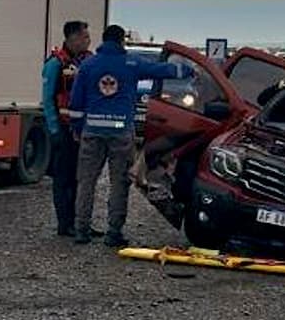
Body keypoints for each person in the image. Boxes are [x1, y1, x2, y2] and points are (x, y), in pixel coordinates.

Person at [69, 24, 193, 247]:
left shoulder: (88, 65)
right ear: (121, 41)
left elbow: (76, 103)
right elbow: (162, 70)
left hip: (92, 132)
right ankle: (113, 233)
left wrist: (77, 128)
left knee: (86, 182)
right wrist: (189, 70)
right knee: (119, 184)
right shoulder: (131, 63)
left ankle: (81, 230)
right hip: (121, 133)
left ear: (103, 40)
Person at [41, 21, 92, 237]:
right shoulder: (56, 64)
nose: (88, 40)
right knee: (64, 179)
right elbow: (47, 98)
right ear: (72, 38)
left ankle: (80, 222)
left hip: (84, 131)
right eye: (84, 37)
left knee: (82, 179)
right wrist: (54, 131)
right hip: (63, 130)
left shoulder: (88, 61)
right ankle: (65, 223)